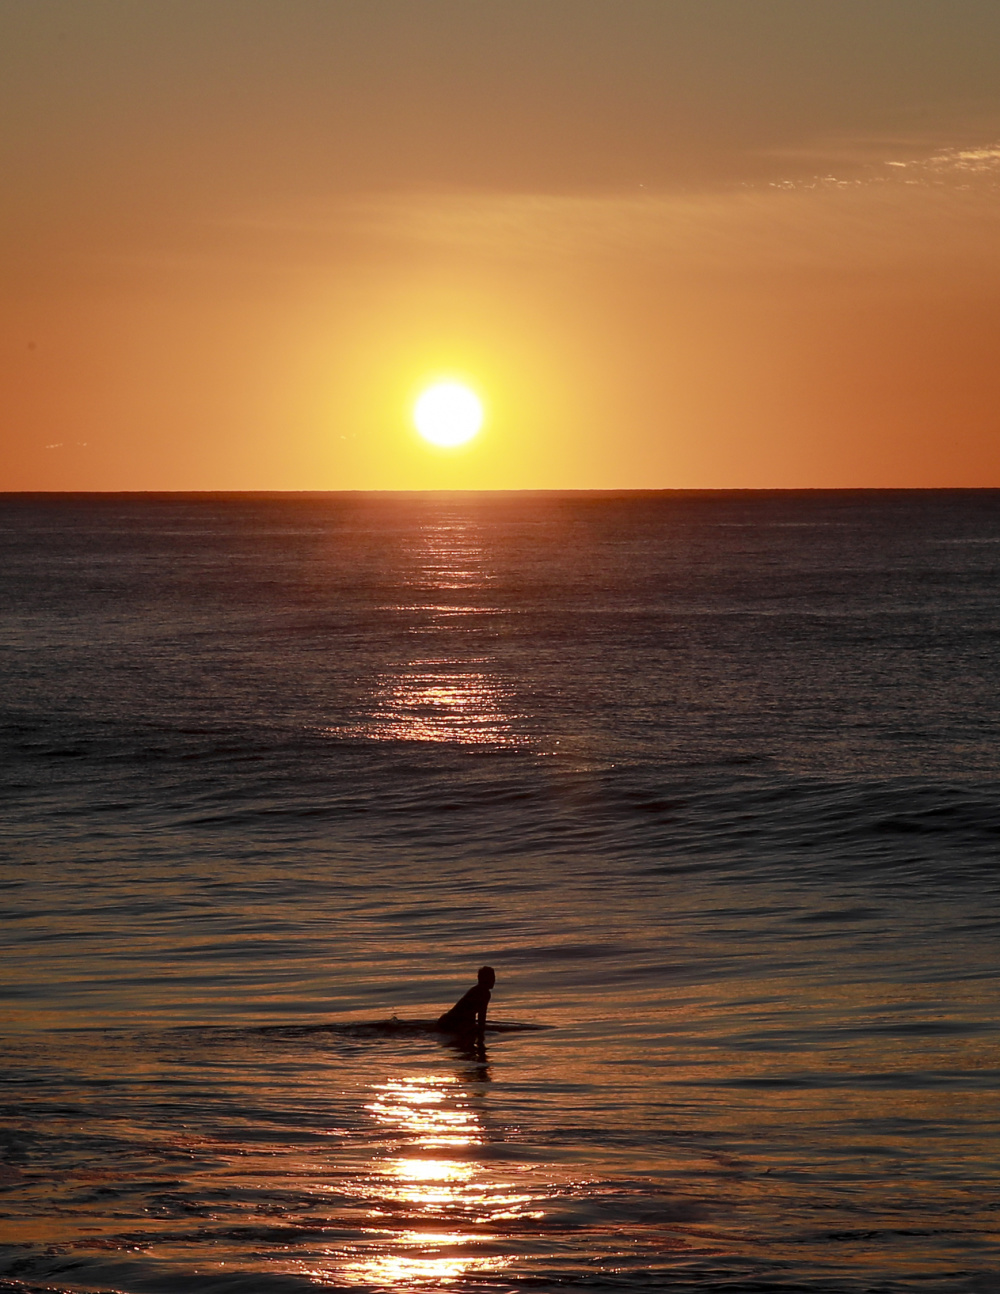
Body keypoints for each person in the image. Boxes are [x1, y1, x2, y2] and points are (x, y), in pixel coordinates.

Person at [437, 966, 495, 1034]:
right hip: (452, 1022)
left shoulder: (477, 990)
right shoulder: (483, 993)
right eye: (492, 978)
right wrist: (480, 1030)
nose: (494, 980)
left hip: (448, 1020)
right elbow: (480, 1015)